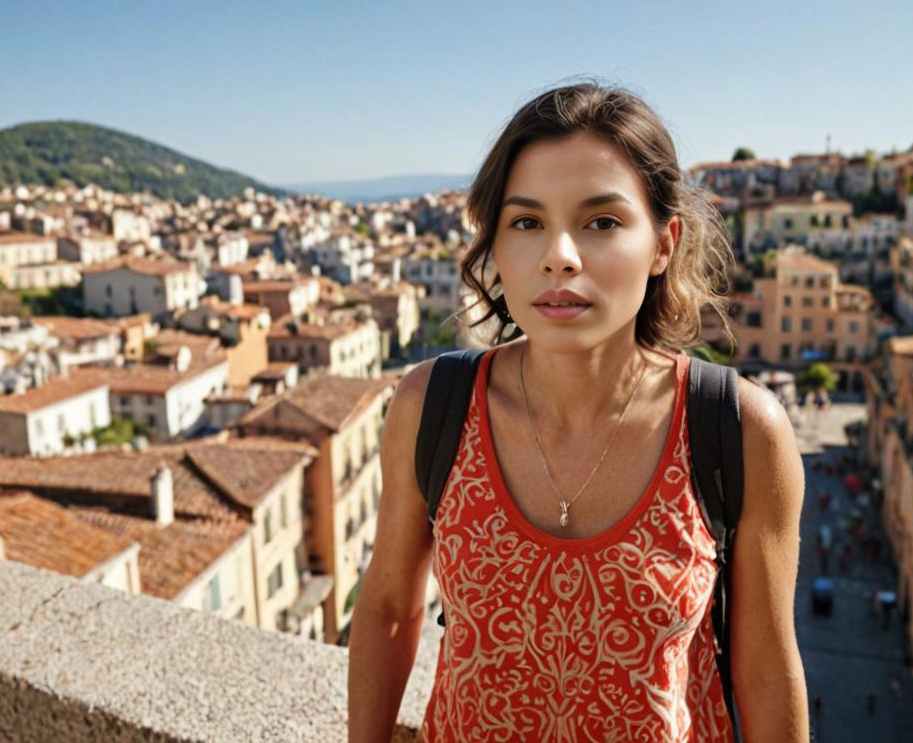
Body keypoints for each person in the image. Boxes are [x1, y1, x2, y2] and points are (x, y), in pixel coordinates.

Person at [347, 81, 809, 742]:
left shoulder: (739, 430)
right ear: (496, 247)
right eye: (527, 222)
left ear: (663, 243)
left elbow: (766, 671)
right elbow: (390, 608)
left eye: (601, 221)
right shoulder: (431, 406)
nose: (558, 255)